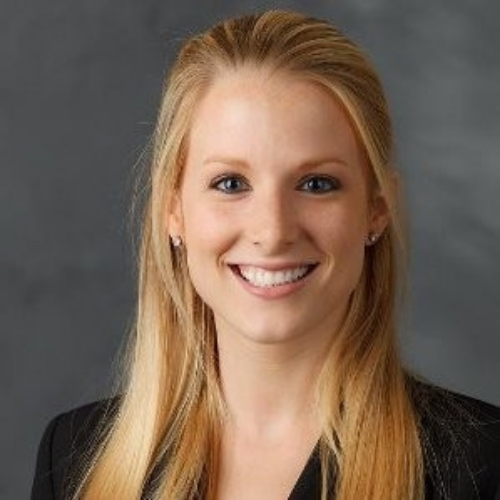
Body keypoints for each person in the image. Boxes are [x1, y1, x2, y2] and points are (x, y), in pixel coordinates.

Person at [31, 9, 500, 500]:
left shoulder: (482, 465)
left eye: (317, 184)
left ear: (375, 211)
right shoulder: (73, 461)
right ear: (174, 211)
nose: (272, 232)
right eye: (230, 183)